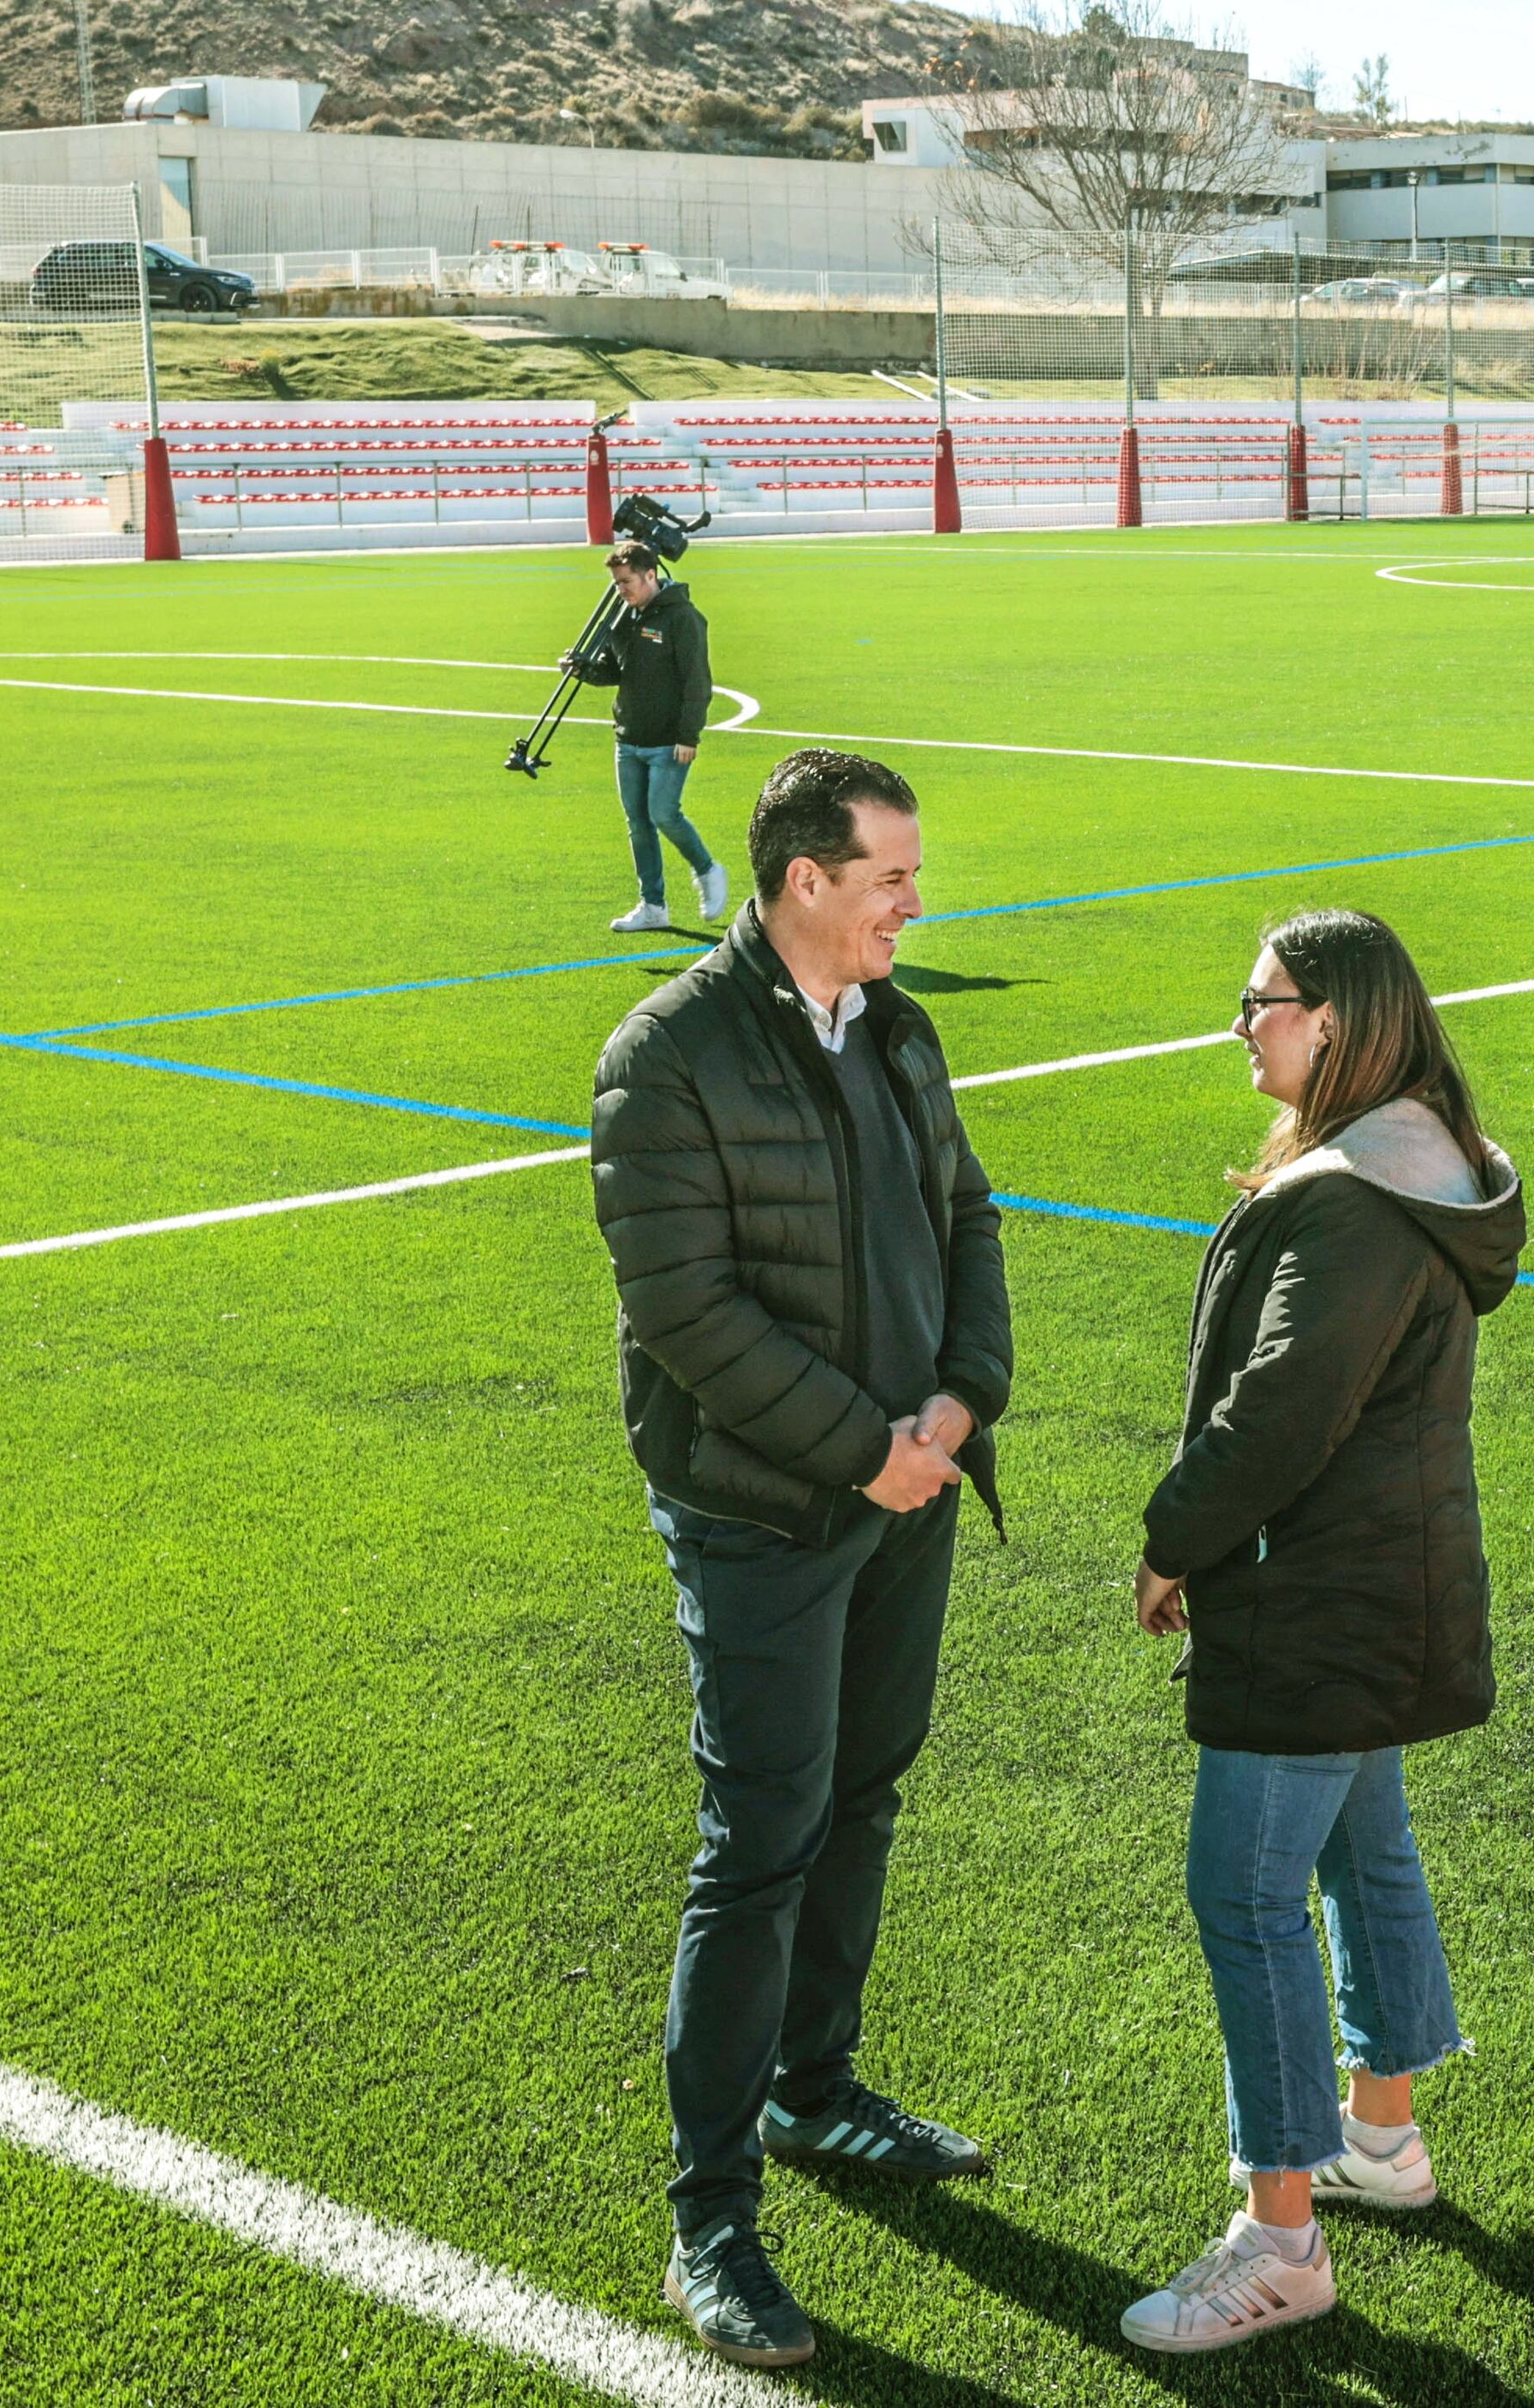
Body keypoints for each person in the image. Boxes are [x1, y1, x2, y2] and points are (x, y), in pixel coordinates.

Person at [589, 746, 1012, 2369]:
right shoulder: (667, 1057)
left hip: (910, 1485)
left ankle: (816, 2089)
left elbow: (969, 1215)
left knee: (865, 1790)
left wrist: (966, 1399)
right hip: (769, 1510)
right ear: (805, 882)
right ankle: (713, 2211)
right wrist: (869, 1446)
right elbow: (687, 1313)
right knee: (760, 1836)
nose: (918, 899)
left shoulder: (901, 1025)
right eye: (894, 874)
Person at [1118, 907, 1527, 2355]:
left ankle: (1282, 2239)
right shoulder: (1406, 1167)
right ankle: (1384, 2138)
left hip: (1321, 1593)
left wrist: (1177, 1537)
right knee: (1365, 1846)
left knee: (1242, 1889)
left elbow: (1279, 1415)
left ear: (1337, 1022)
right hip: (1378, 1582)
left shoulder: (1355, 1203)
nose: (1241, 1020)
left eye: (1261, 1000)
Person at [576, 538, 725, 934]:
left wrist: (688, 735)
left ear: (650, 575)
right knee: (638, 823)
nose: (620, 590)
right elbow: (613, 670)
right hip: (628, 738)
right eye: (616, 583)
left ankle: (708, 870)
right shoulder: (623, 618)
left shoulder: (683, 618)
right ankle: (653, 906)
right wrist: (584, 670)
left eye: (626, 582)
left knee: (663, 814)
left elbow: (697, 681)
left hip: (668, 740)